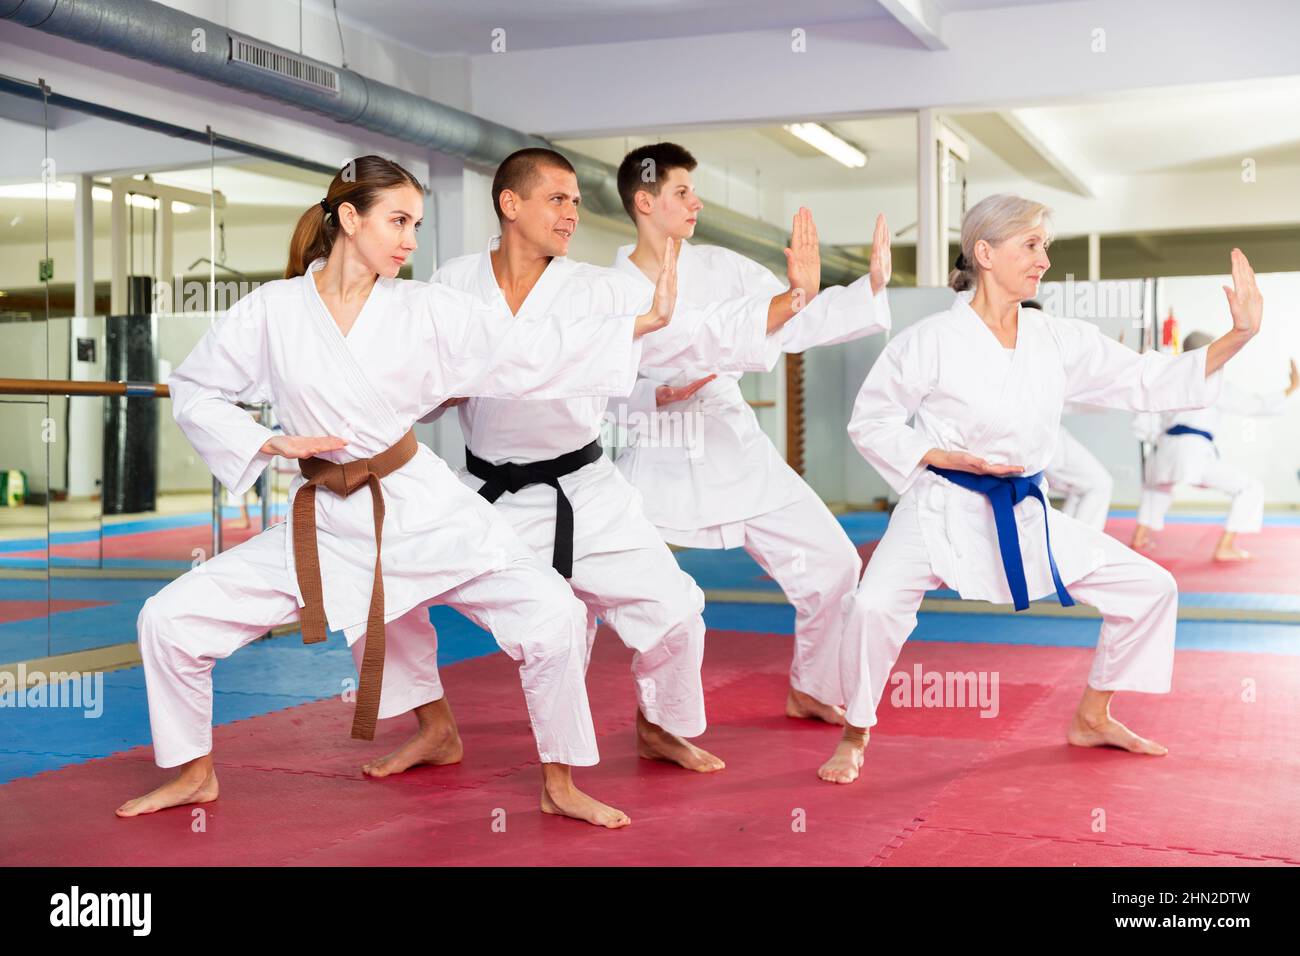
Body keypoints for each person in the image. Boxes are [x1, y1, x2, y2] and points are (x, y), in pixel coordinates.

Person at [117, 155, 680, 829]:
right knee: (168, 620)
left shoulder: (425, 308)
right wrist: (263, 442)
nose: (410, 239)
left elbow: (521, 349)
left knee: (555, 614)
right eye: (398, 220)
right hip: (327, 520)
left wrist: (635, 326)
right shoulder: (272, 310)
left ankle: (559, 779)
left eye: (415, 222)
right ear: (349, 219)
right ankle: (194, 772)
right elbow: (198, 387)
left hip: (420, 507)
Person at [375, 146, 812, 776]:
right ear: (510, 204)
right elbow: (424, 389)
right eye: (557, 199)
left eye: (577, 202)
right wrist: (449, 387)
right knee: (380, 582)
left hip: (587, 490)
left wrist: (789, 300)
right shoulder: (452, 285)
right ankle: (435, 725)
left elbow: (686, 334)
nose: (571, 213)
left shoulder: (600, 289)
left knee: (678, 612)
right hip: (486, 492)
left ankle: (659, 725)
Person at [819, 193, 1265, 784]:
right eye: (1031, 246)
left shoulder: (1054, 337)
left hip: (1025, 511)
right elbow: (870, 420)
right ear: (984, 252)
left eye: (1045, 247)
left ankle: (1093, 715)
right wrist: (935, 453)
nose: (1044, 260)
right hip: (937, 506)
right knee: (872, 606)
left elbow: (1142, 378)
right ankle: (855, 732)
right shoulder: (927, 340)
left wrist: (1237, 337)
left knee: (1151, 587)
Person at [609, 141, 893, 726]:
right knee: (627, 593)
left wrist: (864, 287)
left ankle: (814, 686)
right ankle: (657, 719)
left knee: (834, 562)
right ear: (644, 201)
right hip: (657, 448)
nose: (697, 202)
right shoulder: (608, 288)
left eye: (695, 190)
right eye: (682, 192)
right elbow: (598, 374)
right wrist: (648, 393)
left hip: (733, 442)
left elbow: (794, 320)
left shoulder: (722, 267)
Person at [1132, 330, 1297, 560]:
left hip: (1164, 450)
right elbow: (1253, 405)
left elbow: (1149, 419)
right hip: (1194, 453)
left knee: (1156, 488)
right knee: (1250, 488)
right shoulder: (1213, 383)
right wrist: (1290, 389)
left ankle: (1138, 537)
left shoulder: (1171, 381)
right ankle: (1225, 546)